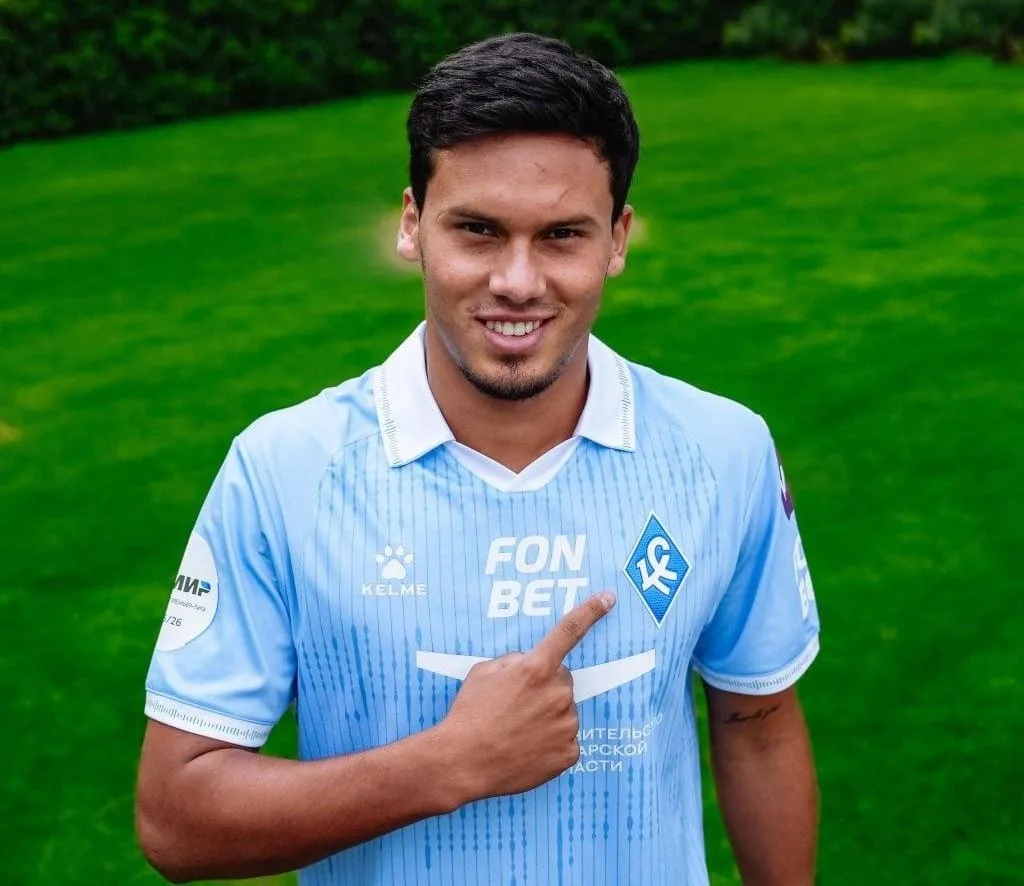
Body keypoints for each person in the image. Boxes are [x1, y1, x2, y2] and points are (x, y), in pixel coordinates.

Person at [136, 31, 820, 886]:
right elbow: (176, 819)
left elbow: (757, 722)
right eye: (478, 231)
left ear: (617, 239)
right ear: (412, 225)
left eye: (562, 235)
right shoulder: (285, 471)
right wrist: (447, 764)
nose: (518, 281)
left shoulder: (724, 451)